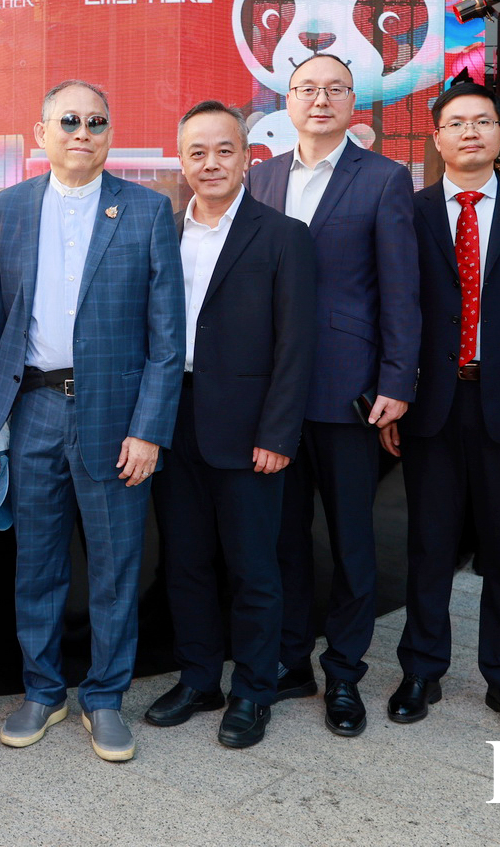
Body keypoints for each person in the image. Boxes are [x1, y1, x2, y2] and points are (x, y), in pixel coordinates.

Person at [0, 79, 183, 764]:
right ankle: (42, 689)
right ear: (42, 134)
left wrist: (149, 429)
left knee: (118, 567)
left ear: (109, 135)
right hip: (30, 411)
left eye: (96, 121)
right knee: (34, 565)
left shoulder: (147, 211)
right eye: (68, 121)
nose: (82, 132)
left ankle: (104, 696)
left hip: (116, 419)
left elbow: (166, 337)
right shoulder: (9, 208)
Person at [382, 83, 500, 742]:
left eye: (483, 122)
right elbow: (390, 314)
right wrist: (389, 396)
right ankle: (421, 669)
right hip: (429, 404)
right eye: (456, 123)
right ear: (437, 139)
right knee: (428, 547)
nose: (470, 132)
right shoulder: (405, 214)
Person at [245, 53, 419, 737]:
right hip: (271, 398)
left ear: (354, 102)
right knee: (282, 540)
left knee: (351, 542)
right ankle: (291, 662)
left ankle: (344, 673)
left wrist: (398, 380)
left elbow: (402, 289)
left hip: (349, 393)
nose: (319, 99)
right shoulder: (258, 178)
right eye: (306, 88)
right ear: (287, 102)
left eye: (334, 89)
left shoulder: (383, 179)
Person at [145, 101, 315, 750]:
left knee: (253, 567)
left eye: (223, 150)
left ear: (247, 159)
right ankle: (197, 678)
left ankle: (252, 689)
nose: (210, 163)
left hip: (249, 429)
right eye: (197, 153)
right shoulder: (161, 229)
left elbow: (296, 346)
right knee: (184, 561)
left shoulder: (282, 235)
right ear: (182, 161)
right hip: (172, 417)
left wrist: (277, 434)